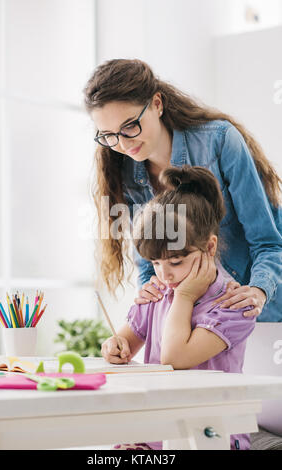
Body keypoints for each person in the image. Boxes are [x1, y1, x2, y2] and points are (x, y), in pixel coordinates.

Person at [84, 58, 282, 322]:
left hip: (260, 312)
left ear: (157, 103)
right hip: (197, 322)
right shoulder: (125, 173)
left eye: (130, 126)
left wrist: (257, 291)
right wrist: (148, 292)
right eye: (108, 135)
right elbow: (148, 263)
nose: (122, 143)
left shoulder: (220, 142)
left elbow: (268, 243)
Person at [101, 165, 256, 450]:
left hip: (212, 436)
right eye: (155, 264)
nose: (164, 275)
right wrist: (114, 345)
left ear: (209, 248)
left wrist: (184, 297)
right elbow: (125, 342)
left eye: (175, 262)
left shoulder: (234, 305)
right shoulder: (159, 292)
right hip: (158, 434)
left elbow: (175, 357)